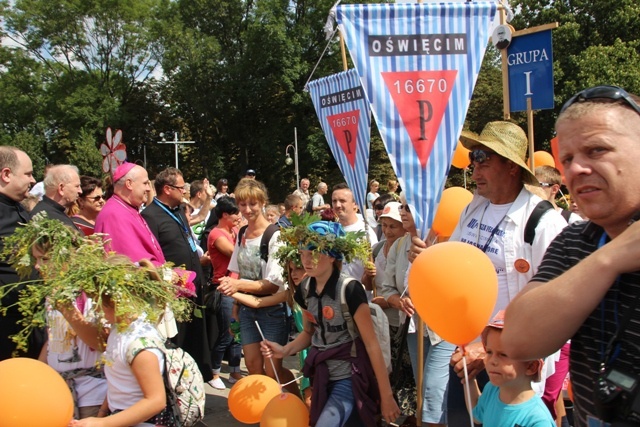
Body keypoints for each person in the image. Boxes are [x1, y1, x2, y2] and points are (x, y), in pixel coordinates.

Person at [410, 121, 567, 424]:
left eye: (483, 158)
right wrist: (427, 258)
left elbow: (553, 303)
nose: (474, 168)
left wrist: (486, 349)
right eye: (473, 158)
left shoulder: (543, 222)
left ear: (511, 167)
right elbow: (454, 266)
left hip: (512, 369)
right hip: (464, 355)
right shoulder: (472, 209)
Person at [502, 86, 640, 427]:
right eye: (566, 159)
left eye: (597, 150)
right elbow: (519, 340)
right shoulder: (578, 239)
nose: (576, 169)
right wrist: (609, 259)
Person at [260, 220, 401, 426]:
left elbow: (372, 345)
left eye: (313, 253)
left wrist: (386, 396)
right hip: (323, 375)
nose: (306, 260)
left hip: (351, 376)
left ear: (332, 255)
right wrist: (284, 350)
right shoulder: (305, 290)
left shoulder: (350, 290)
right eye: (302, 253)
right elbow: (309, 332)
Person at [217, 179, 294, 388]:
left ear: (262, 203)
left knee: (272, 370)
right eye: (242, 205)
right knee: (252, 365)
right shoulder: (242, 233)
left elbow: (271, 284)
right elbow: (237, 271)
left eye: (253, 204)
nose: (247, 209)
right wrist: (235, 307)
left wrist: (237, 287)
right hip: (246, 309)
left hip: (271, 309)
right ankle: (262, 411)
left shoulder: (274, 235)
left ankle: (292, 402)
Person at [385, 195, 453, 426]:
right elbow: (387, 288)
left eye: (408, 208)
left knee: (434, 388)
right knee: (422, 387)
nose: (402, 212)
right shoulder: (398, 245)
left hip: (442, 328)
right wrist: (397, 301)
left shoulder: (444, 240)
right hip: (414, 327)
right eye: (401, 207)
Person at [141, 167, 213, 384]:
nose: (185, 191)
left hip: (194, 287)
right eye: (181, 188)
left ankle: (195, 381)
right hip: (175, 292)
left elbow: (198, 218)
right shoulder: (150, 216)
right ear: (167, 189)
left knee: (196, 338)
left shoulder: (179, 211)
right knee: (178, 340)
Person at [363, 201, 418, 419]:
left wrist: (389, 301)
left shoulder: (409, 246)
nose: (387, 231)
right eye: (384, 226)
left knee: (407, 375)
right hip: (382, 323)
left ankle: (410, 417)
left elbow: (402, 290)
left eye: (392, 226)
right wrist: (368, 276)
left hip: (402, 322)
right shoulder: (379, 249)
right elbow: (371, 286)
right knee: (389, 372)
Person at [465, 311, 554, 426]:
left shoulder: (537, 420)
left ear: (531, 366)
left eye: (503, 354)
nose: (492, 360)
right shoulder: (492, 389)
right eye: (489, 352)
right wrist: (469, 380)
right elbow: (477, 416)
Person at [0, 146, 39, 360]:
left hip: (29, 325)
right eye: (28, 173)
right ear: (6, 174)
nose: (33, 180)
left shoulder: (21, 209)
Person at [94, 162, 165, 266]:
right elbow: (132, 260)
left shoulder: (128, 208)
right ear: (129, 184)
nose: (148, 189)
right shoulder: (114, 215)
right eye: (145, 183)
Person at [207, 197, 243, 390]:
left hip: (239, 286)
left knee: (238, 332)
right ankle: (214, 372)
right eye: (236, 213)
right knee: (226, 333)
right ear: (225, 215)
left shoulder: (236, 231)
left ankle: (235, 370)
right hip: (224, 288)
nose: (239, 217)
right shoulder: (216, 234)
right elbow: (235, 254)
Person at [331, 183, 377, 287]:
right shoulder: (330, 231)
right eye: (334, 201)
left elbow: (373, 270)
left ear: (355, 204)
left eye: (342, 201)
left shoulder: (366, 233)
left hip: (358, 297)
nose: (337, 205)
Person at [30, 164, 82, 230]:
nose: (80, 191)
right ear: (61, 188)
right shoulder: (50, 220)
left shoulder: (49, 213)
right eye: (77, 186)